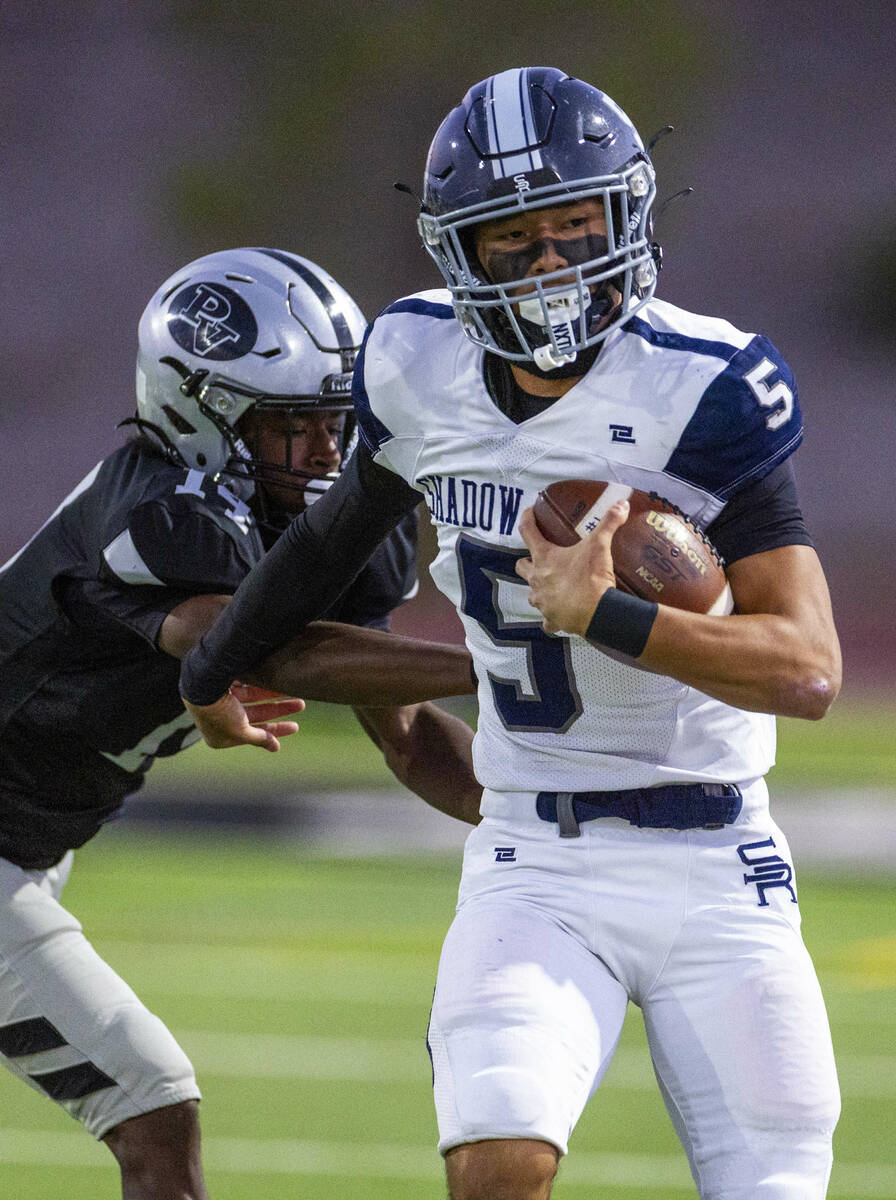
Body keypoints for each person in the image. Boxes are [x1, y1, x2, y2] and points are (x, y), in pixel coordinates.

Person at [179, 70, 843, 1200]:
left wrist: (608, 615)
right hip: (532, 851)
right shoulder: (415, 364)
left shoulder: (704, 384)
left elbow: (807, 669)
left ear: (624, 215)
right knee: (497, 1160)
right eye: (512, 239)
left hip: (717, 858)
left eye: (572, 227)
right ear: (457, 252)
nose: (549, 265)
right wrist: (211, 667)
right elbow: (328, 547)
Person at [0, 246, 481, 1200]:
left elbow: (409, 733)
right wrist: (505, 660)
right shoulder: (155, 513)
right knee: (153, 1106)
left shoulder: (305, 520)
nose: (323, 452)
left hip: (29, 844)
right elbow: (261, 649)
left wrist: (553, 807)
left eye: (333, 422)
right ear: (200, 412)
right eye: (292, 424)